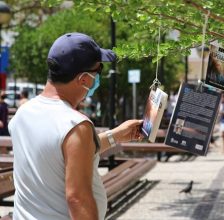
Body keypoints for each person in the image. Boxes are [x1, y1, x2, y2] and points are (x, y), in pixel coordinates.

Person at [8, 32, 143, 220]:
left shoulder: (23, 113)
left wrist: (116, 135)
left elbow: (59, 153)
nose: (98, 79)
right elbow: (77, 199)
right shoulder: (75, 125)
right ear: (84, 79)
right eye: (99, 71)